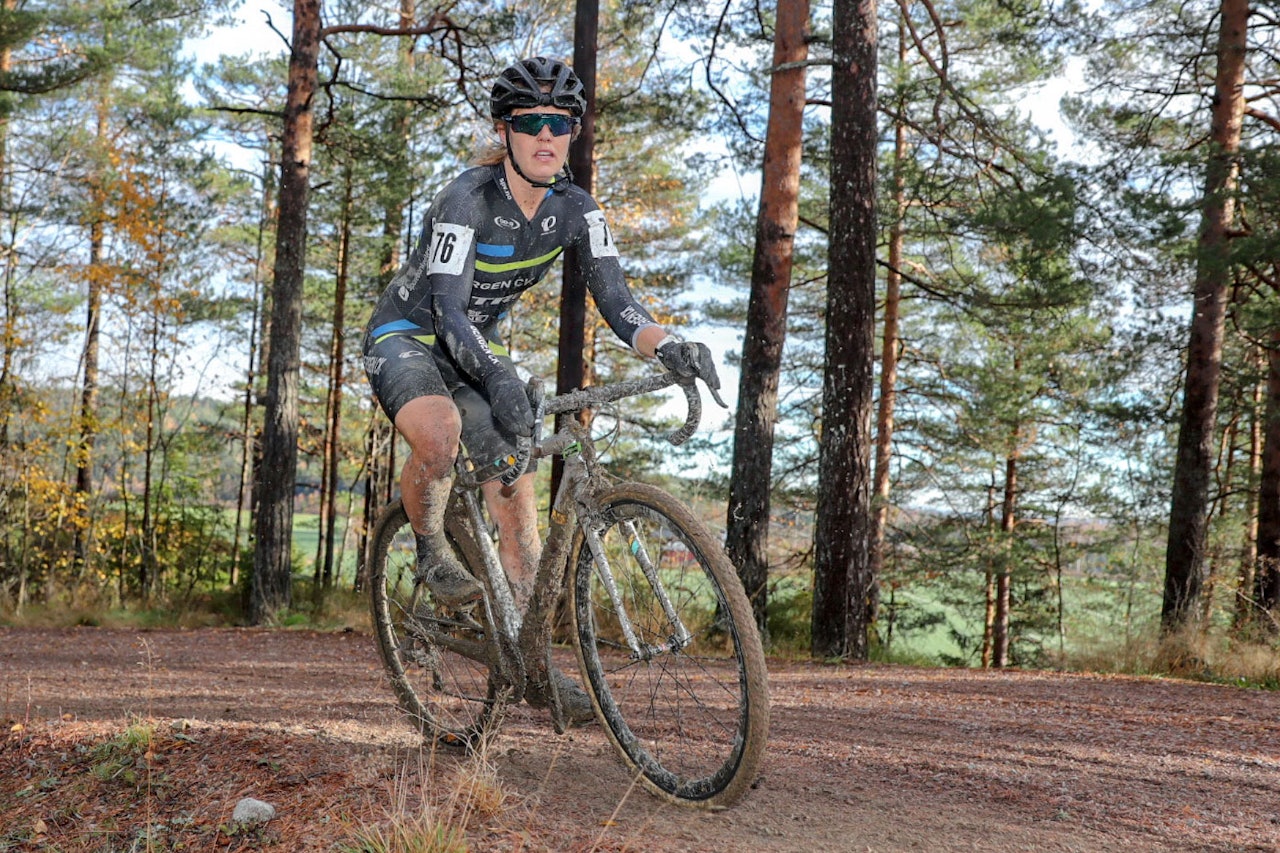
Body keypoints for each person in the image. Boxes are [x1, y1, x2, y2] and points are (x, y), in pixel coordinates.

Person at [362, 56, 721, 721]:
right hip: (408, 336)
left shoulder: (577, 210)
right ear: (505, 131)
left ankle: (533, 668)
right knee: (439, 435)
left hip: (478, 346)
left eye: (560, 122)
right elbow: (446, 309)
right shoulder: (464, 200)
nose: (546, 135)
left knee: (519, 511)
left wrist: (670, 343)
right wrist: (497, 373)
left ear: (575, 130)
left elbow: (617, 300)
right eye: (530, 123)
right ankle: (429, 544)